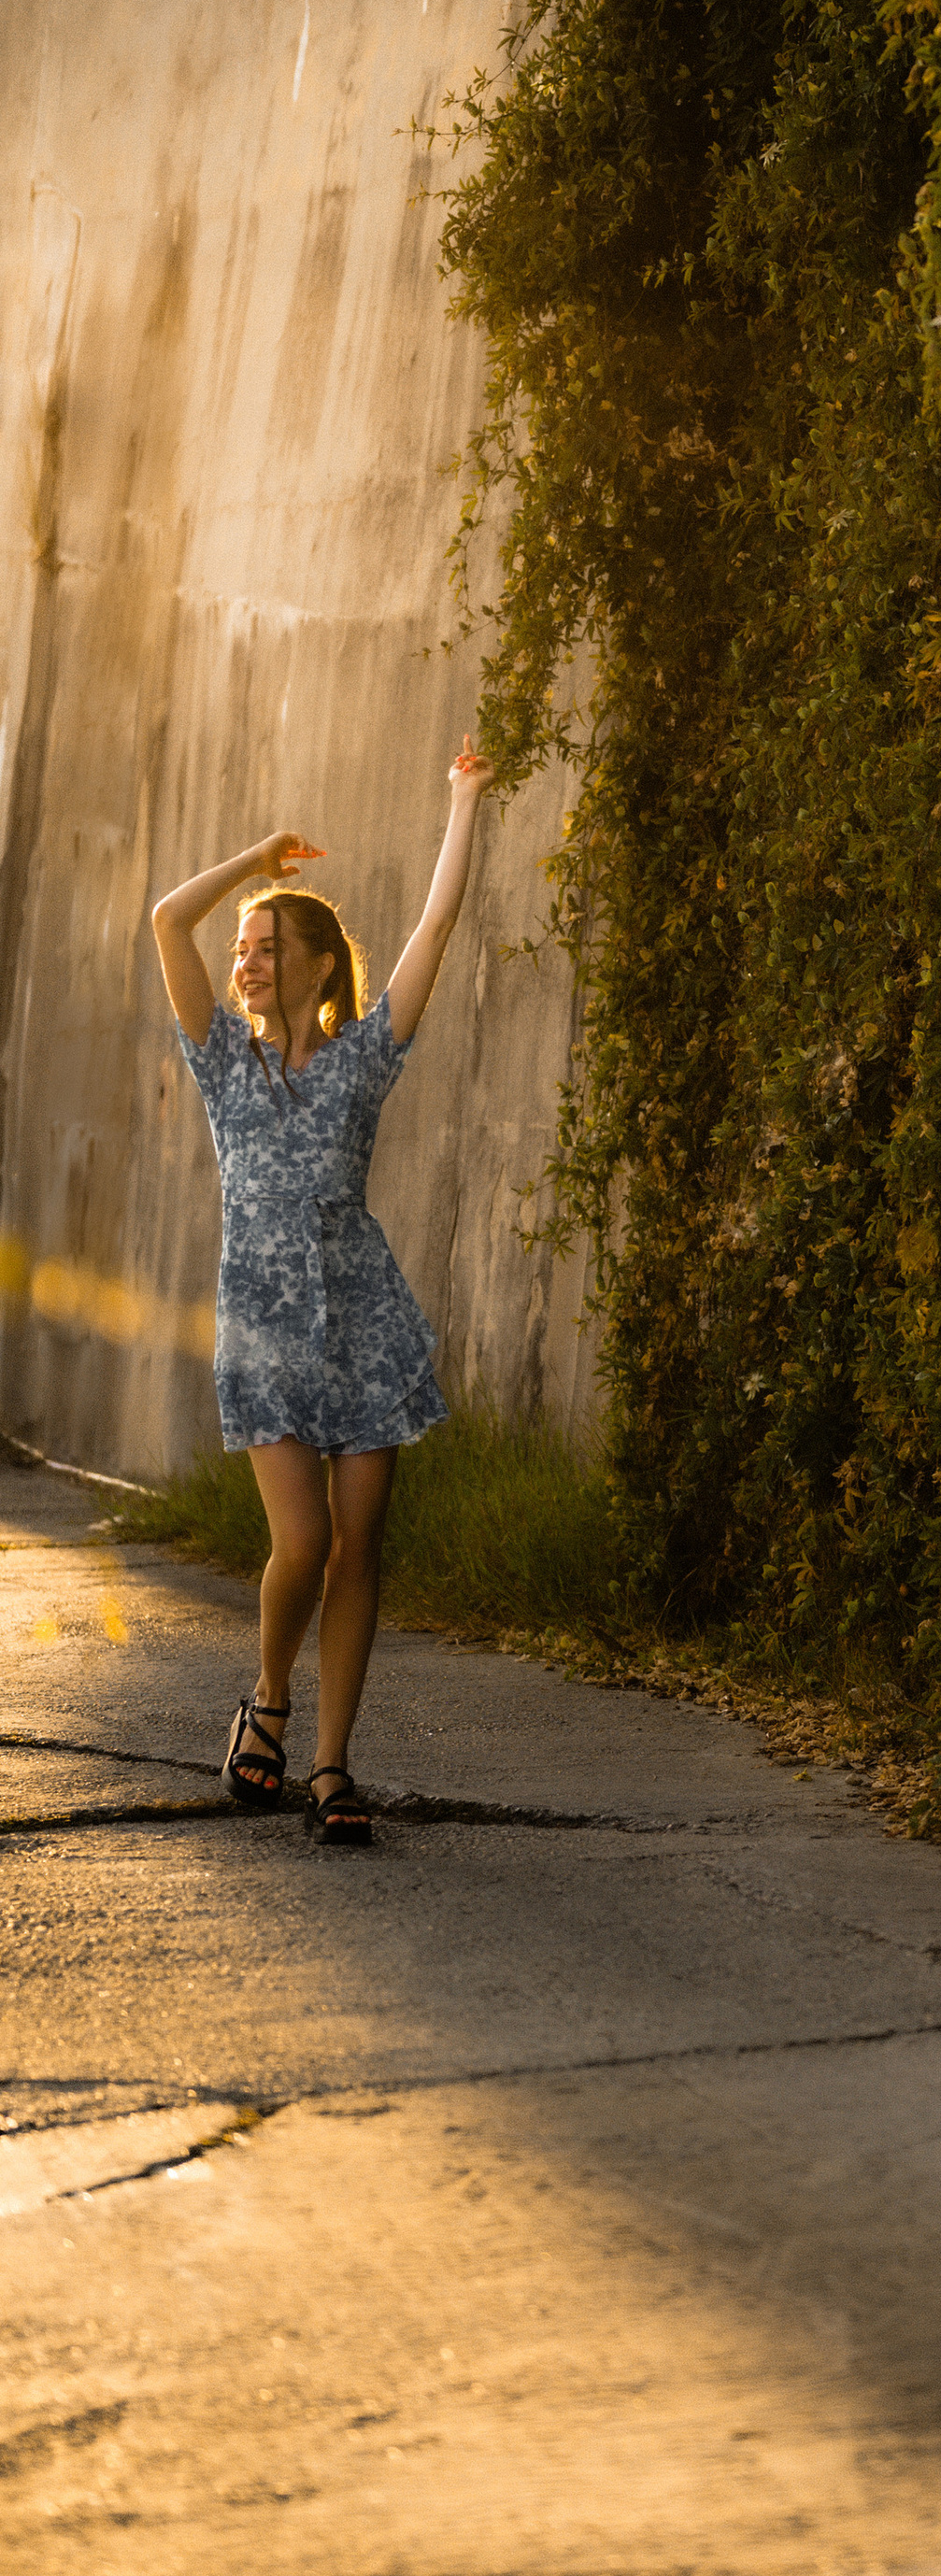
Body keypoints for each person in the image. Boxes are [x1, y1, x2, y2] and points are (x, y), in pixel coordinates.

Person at [150, 744, 497, 1848]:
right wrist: (253, 862)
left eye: (264, 947)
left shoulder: (363, 1059)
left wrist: (463, 802)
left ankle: (334, 1766)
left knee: (360, 1544)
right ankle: (270, 1699)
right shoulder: (222, 1062)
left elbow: (435, 929)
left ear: (314, 964)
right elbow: (167, 920)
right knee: (299, 1544)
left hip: (363, 1328)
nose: (244, 963)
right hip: (263, 1335)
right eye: (242, 948)